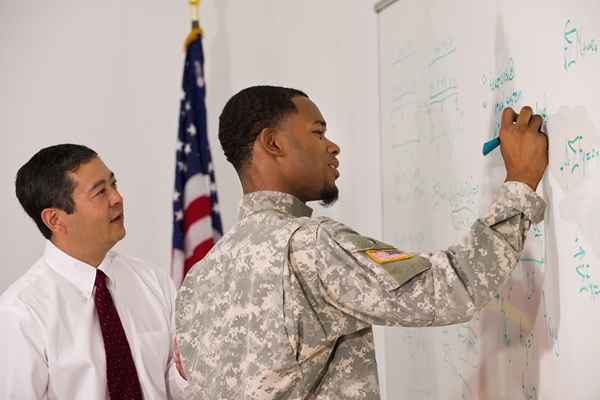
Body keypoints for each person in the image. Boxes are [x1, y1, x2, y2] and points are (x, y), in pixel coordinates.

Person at [175, 86, 548, 399]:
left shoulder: (199, 278)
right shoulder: (310, 247)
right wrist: (520, 184)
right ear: (273, 143)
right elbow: (452, 287)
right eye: (318, 133)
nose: (332, 146)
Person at [0, 144, 187, 399]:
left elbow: (172, 386)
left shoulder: (152, 281)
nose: (117, 198)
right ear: (55, 220)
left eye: (114, 184)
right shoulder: (21, 314)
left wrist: (186, 373)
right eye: (100, 192)